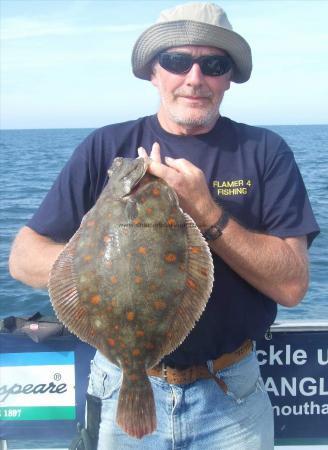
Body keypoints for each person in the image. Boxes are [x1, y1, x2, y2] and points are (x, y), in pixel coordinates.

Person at [9, 2, 320, 449]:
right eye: (177, 61)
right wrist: (107, 266)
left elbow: (292, 288)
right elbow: (22, 258)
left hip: (231, 395)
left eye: (213, 64)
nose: (195, 77)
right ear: (154, 72)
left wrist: (205, 209)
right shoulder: (104, 147)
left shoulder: (265, 151)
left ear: (228, 78)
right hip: (119, 383)